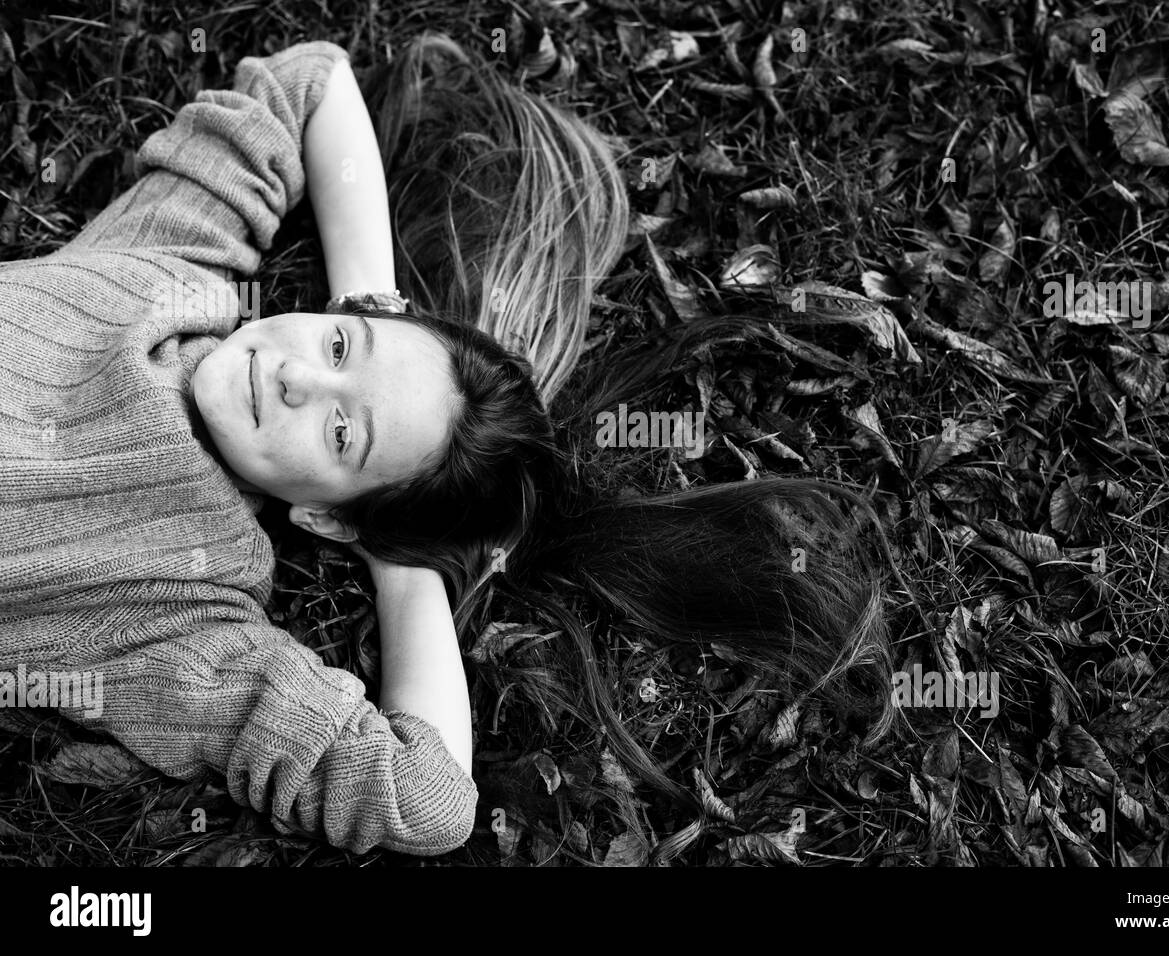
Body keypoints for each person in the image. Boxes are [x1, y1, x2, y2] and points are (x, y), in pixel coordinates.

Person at [0, 32, 895, 859]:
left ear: (325, 514)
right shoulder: (183, 260)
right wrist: (372, 308)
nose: (297, 378)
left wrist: (398, 554)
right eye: (340, 348)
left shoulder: (185, 608)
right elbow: (315, 80)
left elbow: (425, 798)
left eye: (343, 432)